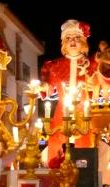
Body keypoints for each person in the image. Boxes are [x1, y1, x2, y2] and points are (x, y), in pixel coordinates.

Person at [40, 19, 93, 152]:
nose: (72, 41)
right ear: (64, 43)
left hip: (83, 113)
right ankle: (57, 169)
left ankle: (84, 170)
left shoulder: (91, 65)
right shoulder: (55, 66)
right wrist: (41, 87)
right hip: (62, 113)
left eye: (77, 37)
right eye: (68, 38)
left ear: (84, 42)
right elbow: (50, 87)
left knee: (84, 148)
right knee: (58, 145)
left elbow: (98, 84)